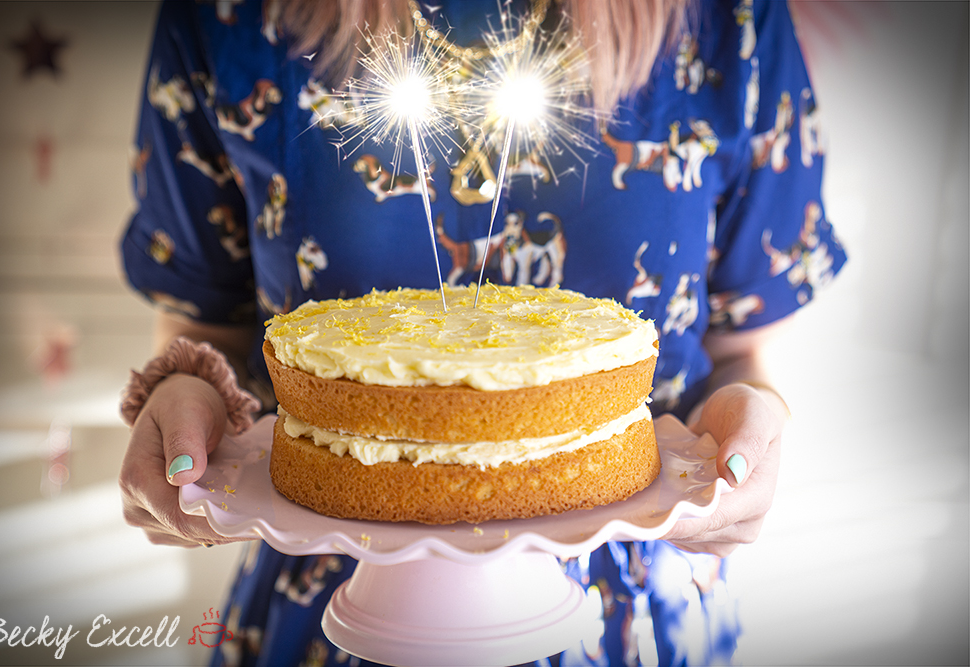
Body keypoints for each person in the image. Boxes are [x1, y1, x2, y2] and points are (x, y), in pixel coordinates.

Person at [118, 0, 847, 664]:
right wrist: (186, 396)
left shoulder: (733, 21)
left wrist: (751, 420)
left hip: (631, 617)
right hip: (333, 601)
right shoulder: (230, 16)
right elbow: (202, 324)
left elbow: (742, 350)